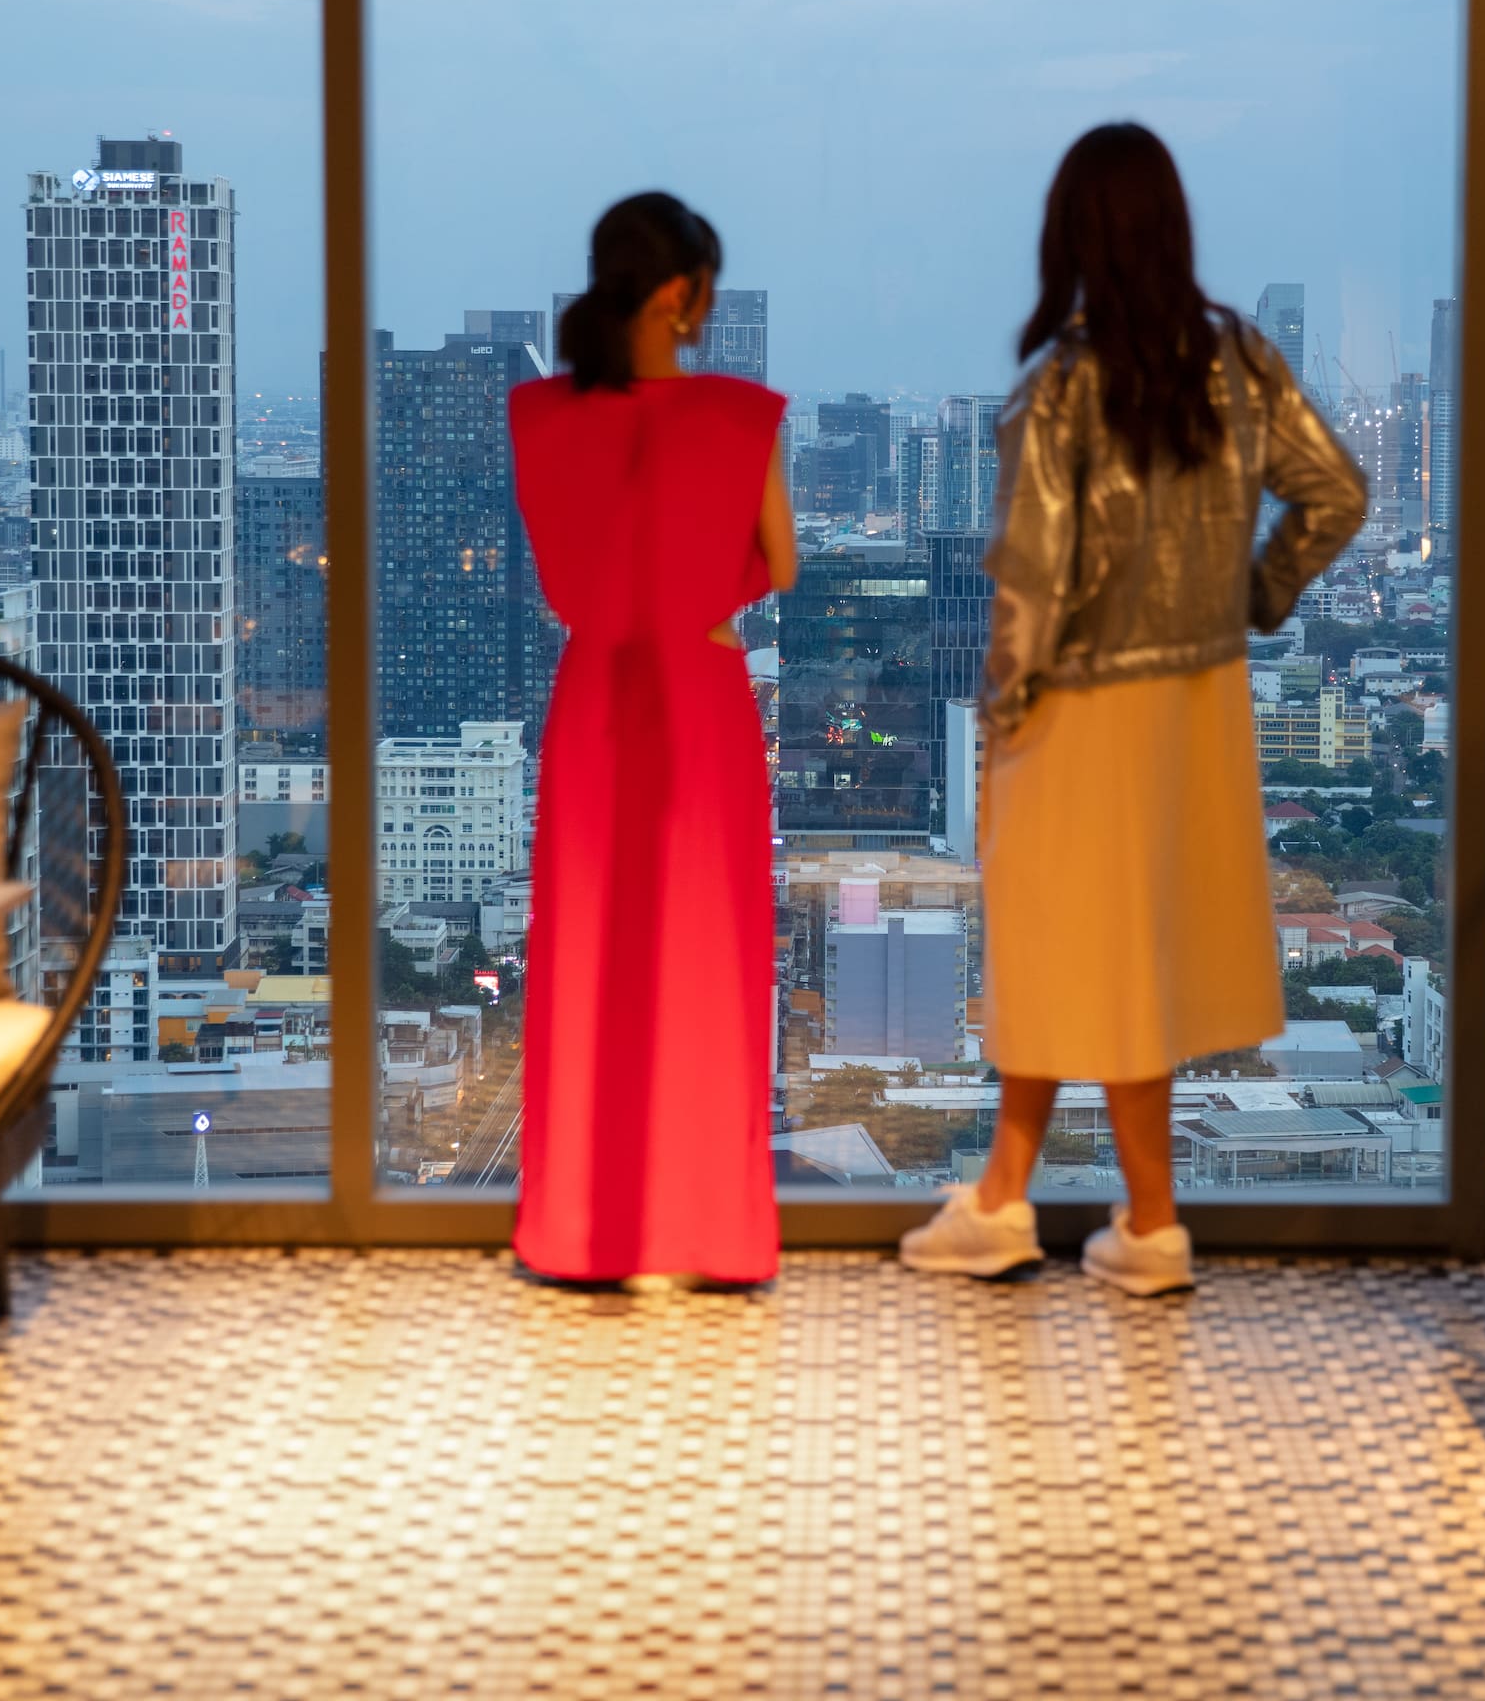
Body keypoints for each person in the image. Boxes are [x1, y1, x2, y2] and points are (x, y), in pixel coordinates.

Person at [900, 123, 1367, 1295]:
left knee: (1064, 948)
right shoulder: (1240, 360)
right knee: (1131, 954)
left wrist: (1000, 716)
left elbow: (1031, 584)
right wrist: (1253, 594)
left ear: (1069, 235)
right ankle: (1129, 1215)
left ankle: (1031, 1206)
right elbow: (1336, 494)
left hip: (1080, 713)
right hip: (1197, 704)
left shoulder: (1059, 388)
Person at [509, 192, 796, 1288]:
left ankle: (586, 1230)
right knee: (707, 960)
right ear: (680, 292)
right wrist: (711, 595)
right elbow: (781, 558)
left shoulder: (542, 416)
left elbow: (560, 579)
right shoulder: (739, 419)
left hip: (593, 700)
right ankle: (710, 1234)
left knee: (590, 960)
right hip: (702, 695)